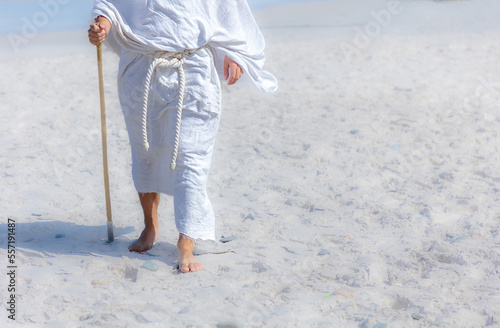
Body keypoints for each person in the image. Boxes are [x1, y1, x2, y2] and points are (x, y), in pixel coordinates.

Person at [88, 0, 277, 273]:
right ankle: (150, 226)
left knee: (191, 156)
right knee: (146, 152)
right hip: (141, 68)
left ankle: (186, 240)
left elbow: (228, 10)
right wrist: (103, 25)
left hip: (193, 68)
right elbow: (112, 5)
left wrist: (235, 52)